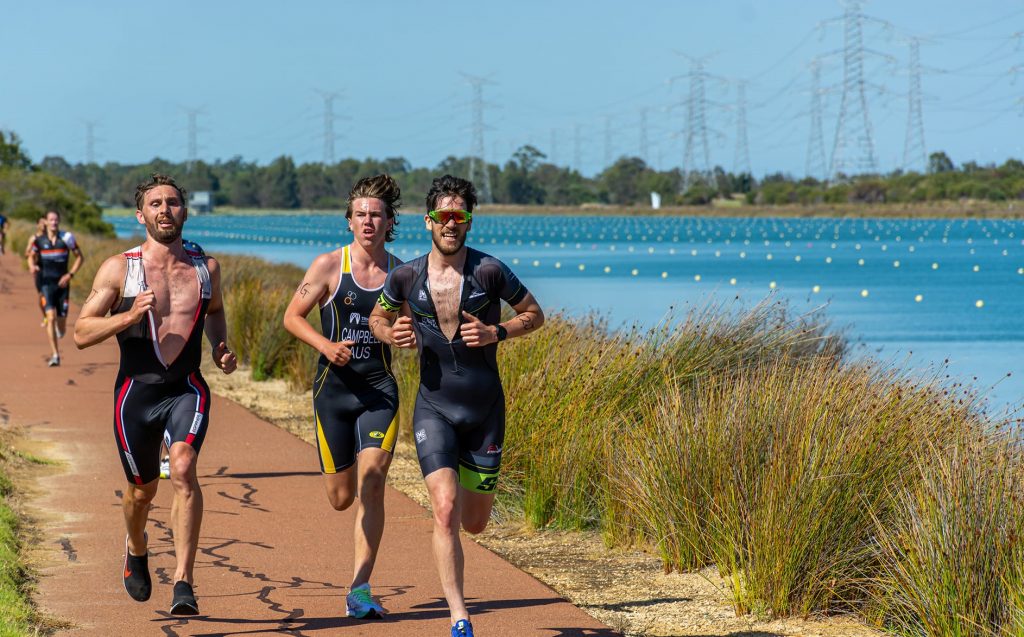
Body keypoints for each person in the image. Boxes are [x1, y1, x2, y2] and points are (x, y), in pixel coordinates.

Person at [369, 175, 544, 637]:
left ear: (469, 221)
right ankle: (459, 615)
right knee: (444, 509)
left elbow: (535, 315)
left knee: (476, 522)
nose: (451, 223)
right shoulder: (405, 275)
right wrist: (392, 334)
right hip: (435, 409)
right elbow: (377, 317)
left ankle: (471, 505)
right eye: (443, 215)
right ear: (428, 221)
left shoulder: (490, 271)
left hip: (485, 412)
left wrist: (497, 332)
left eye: (459, 215)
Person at [73, 173, 237, 616]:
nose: (165, 210)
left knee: (183, 469)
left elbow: (216, 312)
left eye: (173, 203)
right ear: (140, 214)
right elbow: (81, 333)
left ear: (185, 210)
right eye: (156, 204)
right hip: (135, 394)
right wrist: (127, 318)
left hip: (187, 387)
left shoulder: (206, 268)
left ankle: (184, 581)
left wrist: (220, 347)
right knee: (140, 493)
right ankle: (136, 545)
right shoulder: (119, 269)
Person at [282, 174, 411, 619]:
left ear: (389, 221)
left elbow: (411, 327)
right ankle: (347, 489)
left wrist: (407, 335)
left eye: (377, 214)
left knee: (372, 483)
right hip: (332, 393)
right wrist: (324, 346)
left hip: (379, 392)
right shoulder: (328, 267)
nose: (368, 221)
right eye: (361, 214)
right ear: (349, 221)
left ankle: (360, 589)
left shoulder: (401, 273)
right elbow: (292, 317)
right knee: (340, 498)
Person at [28, 210, 83, 366]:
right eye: (51, 220)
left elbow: (80, 257)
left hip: (63, 285)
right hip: (46, 283)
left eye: (56, 220)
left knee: (61, 324)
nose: (54, 222)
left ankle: (61, 328)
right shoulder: (39, 240)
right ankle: (55, 355)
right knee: (50, 317)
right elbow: (31, 255)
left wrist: (70, 275)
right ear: (45, 221)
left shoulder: (67, 238)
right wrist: (32, 266)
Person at [25, 214, 48, 327]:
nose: (43, 225)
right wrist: (33, 264)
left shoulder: (51, 237)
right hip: (39, 270)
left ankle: (52, 315)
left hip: (52, 270)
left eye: (45, 223)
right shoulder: (33, 238)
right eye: (41, 223)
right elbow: (27, 253)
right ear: (37, 224)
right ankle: (46, 316)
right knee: (41, 296)